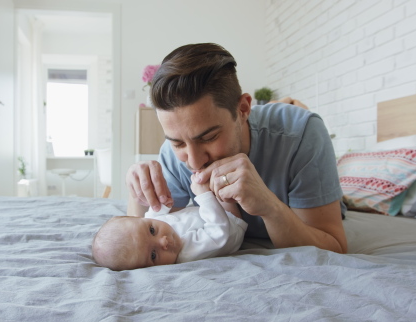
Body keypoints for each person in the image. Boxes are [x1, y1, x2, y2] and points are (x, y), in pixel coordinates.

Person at [126, 43, 347, 254]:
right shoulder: (171, 156)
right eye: (178, 143)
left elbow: (334, 246)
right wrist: (139, 194)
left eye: (209, 137)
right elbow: (147, 239)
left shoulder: (302, 133)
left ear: (243, 109)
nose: (193, 162)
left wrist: (269, 206)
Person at [92, 173, 248, 271]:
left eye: (152, 230)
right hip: (230, 221)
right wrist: (204, 195)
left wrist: (163, 201)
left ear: (139, 219)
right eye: (153, 255)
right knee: (220, 180)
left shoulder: (148, 222)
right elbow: (219, 231)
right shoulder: (188, 252)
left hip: (203, 214)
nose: (163, 242)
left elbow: (154, 212)